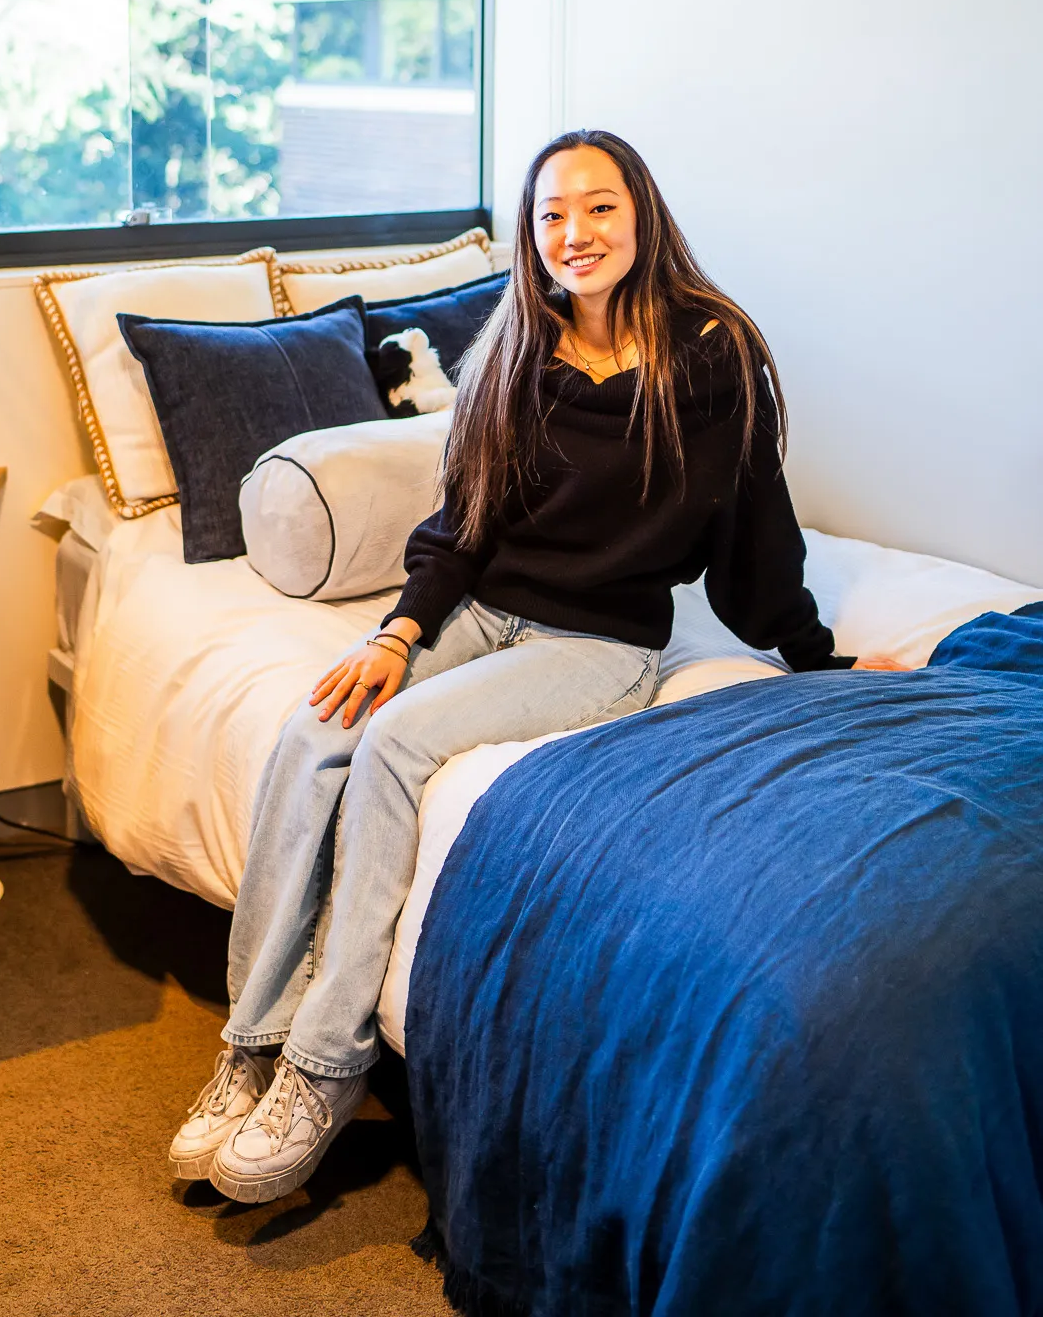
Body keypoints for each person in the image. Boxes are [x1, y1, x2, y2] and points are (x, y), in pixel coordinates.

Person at [169, 128, 903, 1203]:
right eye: (552, 213)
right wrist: (396, 631)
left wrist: (812, 654)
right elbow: (460, 522)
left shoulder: (711, 353)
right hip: (479, 610)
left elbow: (756, 532)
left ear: (642, 213)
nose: (575, 231)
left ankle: (325, 1065)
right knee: (317, 725)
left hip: (596, 640)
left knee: (394, 743)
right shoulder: (520, 344)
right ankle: (252, 1038)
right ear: (531, 233)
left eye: (598, 206)